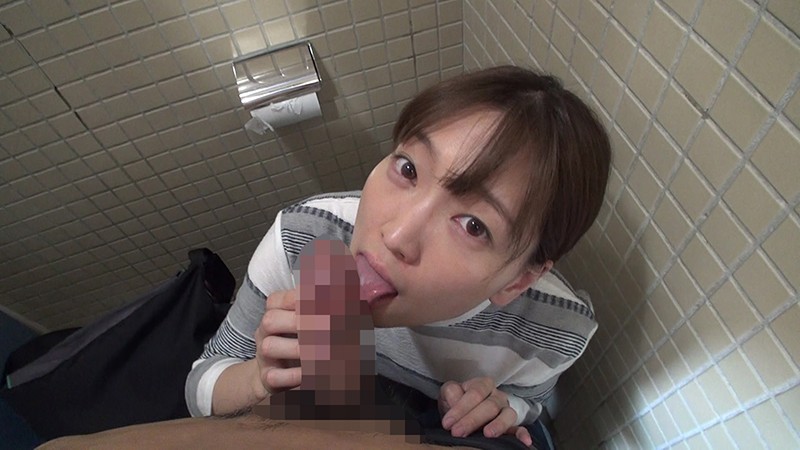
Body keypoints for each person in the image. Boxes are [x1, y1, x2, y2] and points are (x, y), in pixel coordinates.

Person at [185, 65, 611, 448]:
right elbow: (199, 385)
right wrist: (260, 378)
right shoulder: (305, 238)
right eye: (408, 169)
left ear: (518, 280)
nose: (396, 235)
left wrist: (504, 406)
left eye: (473, 226)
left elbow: (533, 400)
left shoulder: (554, 327)